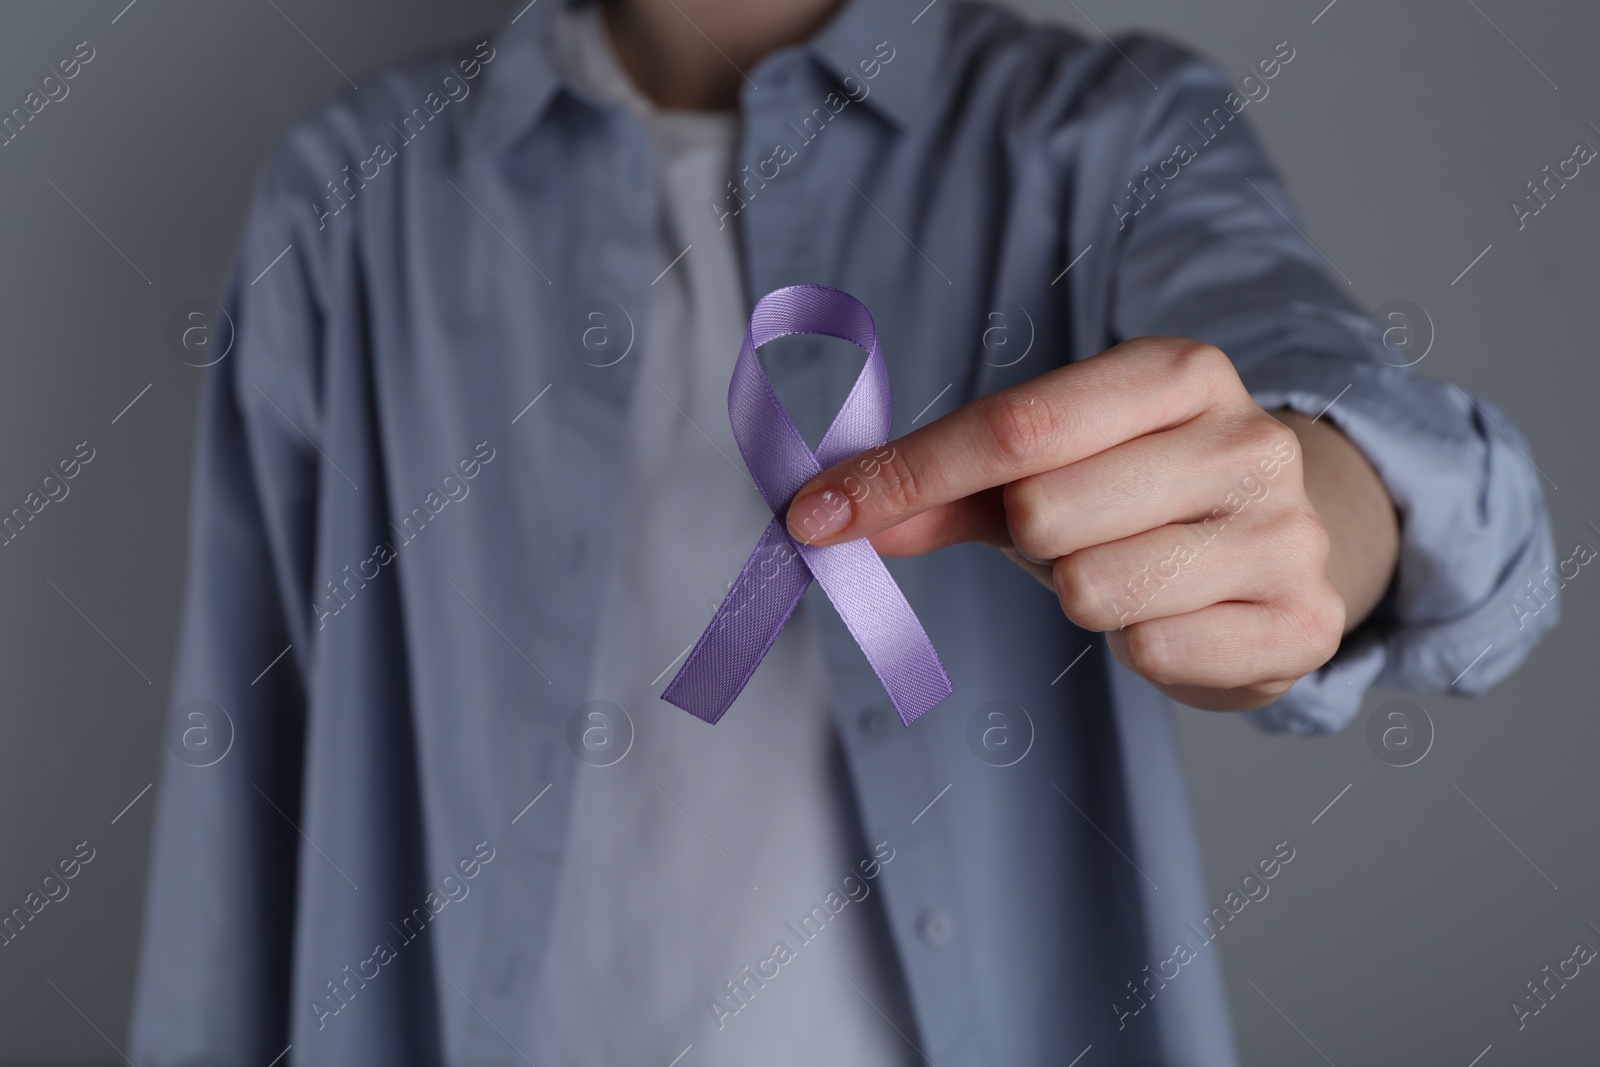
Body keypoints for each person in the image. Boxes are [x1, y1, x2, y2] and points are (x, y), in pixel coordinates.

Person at [128, 0, 1556, 1063]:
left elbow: (1314, 379)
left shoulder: (1107, 132)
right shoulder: (350, 197)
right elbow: (245, 775)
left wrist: (1321, 507)